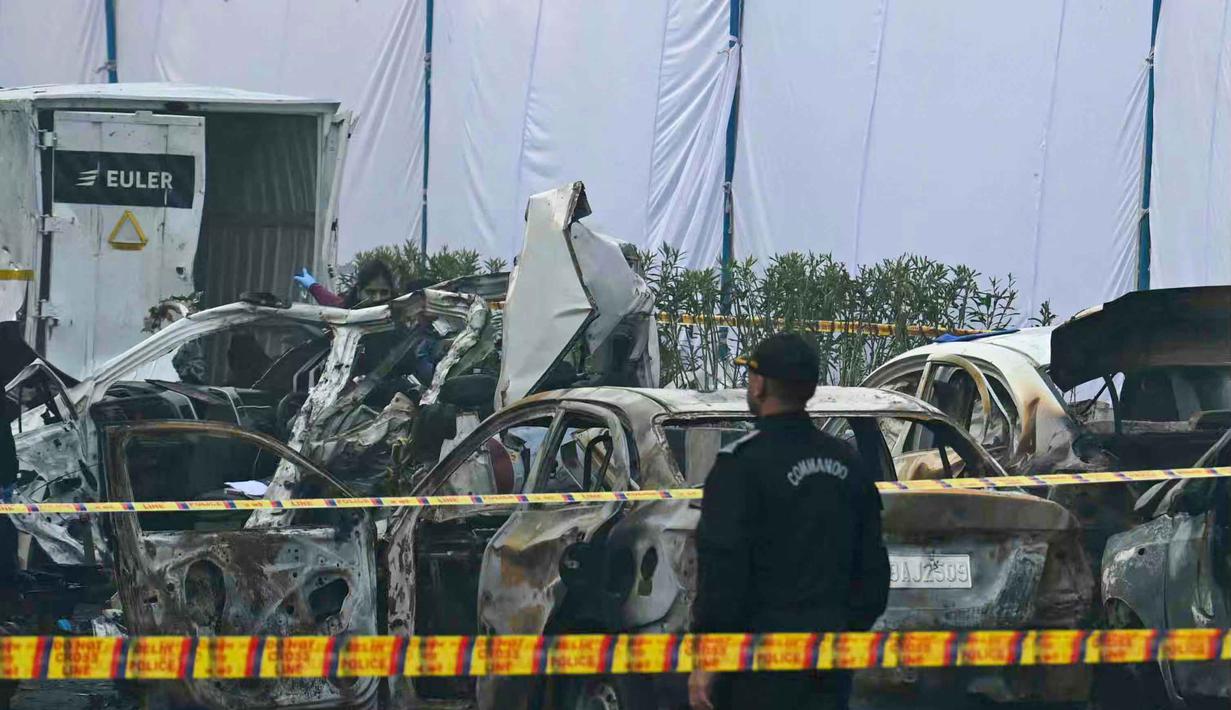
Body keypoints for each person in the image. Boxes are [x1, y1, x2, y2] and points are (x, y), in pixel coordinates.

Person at [689, 333, 890, 710]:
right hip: (829, 658)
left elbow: (722, 571)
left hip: (757, 666)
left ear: (760, 384)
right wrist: (845, 630)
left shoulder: (740, 465)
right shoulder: (847, 464)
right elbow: (874, 565)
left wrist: (710, 654)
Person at [294, 260, 396, 308]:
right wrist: (313, 286)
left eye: (384, 292)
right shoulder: (345, 315)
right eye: (370, 292)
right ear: (359, 291)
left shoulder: (401, 322)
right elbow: (333, 302)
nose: (377, 298)